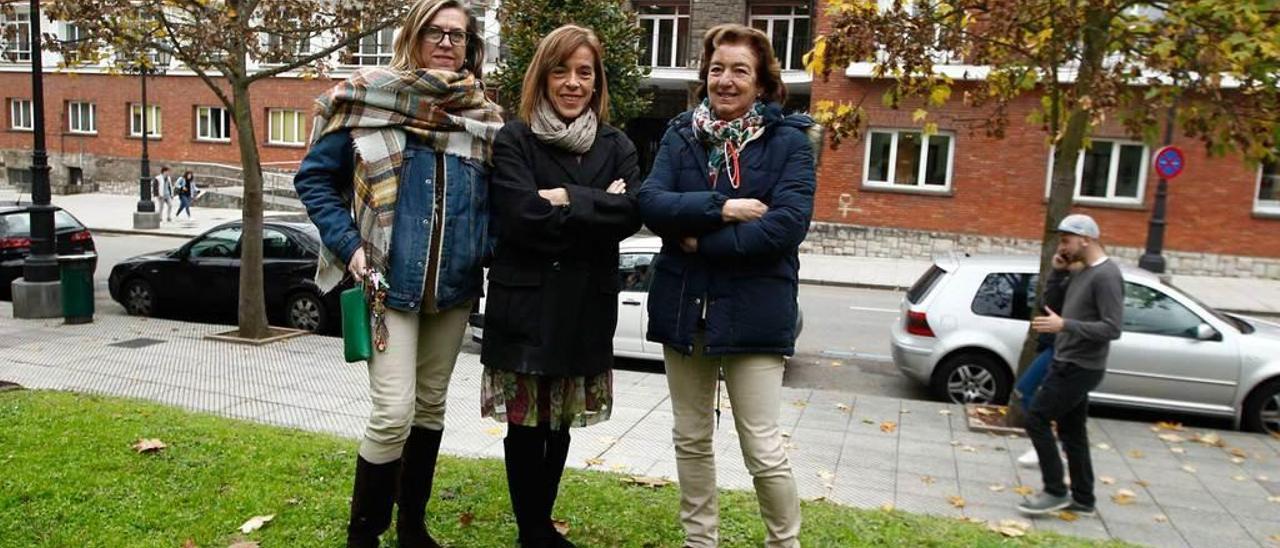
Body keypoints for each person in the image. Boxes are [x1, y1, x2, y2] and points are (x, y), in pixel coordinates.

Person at [292, 1, 503, 546]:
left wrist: (487, 245)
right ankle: (363, 534)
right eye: (435, 31)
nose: (446, 42)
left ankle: (411, 526)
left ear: (470, 46)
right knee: (392, 413)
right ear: (411, 35)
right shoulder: (367, 100)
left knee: (430, 408)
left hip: (454, 290)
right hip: (385, 284)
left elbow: (498, 202)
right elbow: (313, 180)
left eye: (457, 35)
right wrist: (350, 246)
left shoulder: (482, 119)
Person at [637, 24, 816, 548]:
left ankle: (784, 542)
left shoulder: (790, 143)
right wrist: (723, 208)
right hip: (684, 305)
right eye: (717, 69)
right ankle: (700, 541)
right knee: (690, 437)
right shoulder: (680, 133)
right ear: (704, 76)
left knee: (761, 445)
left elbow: (785, 226)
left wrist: (698, 240)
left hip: (756, 310)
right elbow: (652, 203)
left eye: (740, 70)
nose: (726, 80)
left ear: (762, 83)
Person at [480, 25, 641, 548]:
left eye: (584, 73)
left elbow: (629, 213)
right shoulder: (514, 137)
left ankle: (540, 525)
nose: (572, 83)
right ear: (542, 75)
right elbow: (519, 216)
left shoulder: (617, 144)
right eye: (561, 70)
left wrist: (564, 198)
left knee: (561, 424)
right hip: (526, 304)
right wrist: (595, 202)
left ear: (596, 82)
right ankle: (533, 531)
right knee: (526, 424)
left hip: (584, 306)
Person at [1018, 214, 1124, 517]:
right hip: (1067, 360)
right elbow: (1050, 308)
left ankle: (1054, 490)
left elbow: (1112, 328)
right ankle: (1083, 498)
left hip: (1080, 365)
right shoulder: (1080, 272)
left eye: (1066, 241)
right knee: (1072, 431)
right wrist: (1057, 273)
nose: (1062, 246)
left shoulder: (1106, 276)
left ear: (1086, 239)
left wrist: (1065, 325)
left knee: (1036, 418)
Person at [1013, 253, 1083, 468]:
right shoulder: (1068, 280)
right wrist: (1056, 272)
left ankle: (1049, 445)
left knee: (1030, 391)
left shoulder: (1087, 284)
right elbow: (1046, 304)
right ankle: (1055, 448)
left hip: (1067, 348)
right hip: (1054, 344)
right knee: (1031, 393)